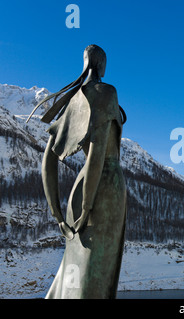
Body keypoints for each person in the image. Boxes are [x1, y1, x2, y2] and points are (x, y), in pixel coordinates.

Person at [28, 44, 127, 299]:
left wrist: (58, 214)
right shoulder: (107, 93)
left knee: (76, 272)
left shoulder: (73, 100)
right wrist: (87, 206)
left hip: (81, 189)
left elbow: (47, 160)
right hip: (105, 190)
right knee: (96, 278)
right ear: (102, 65)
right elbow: (98, 149)